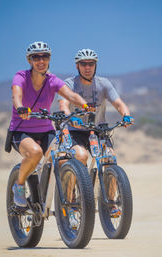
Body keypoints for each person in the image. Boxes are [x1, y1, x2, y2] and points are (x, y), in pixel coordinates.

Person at [10, 42, 89, 208]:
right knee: (35, 152)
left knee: (63, 157)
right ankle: (19, 185)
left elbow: (71, 95)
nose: (41, 60)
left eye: (44, 56)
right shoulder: (21, 76)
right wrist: (21, 108)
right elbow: (17, 95)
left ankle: (68, 198)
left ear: (49, 59)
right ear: (29, 60)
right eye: (36, 57)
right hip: (21, 131)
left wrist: (85, 105)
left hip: (46, 131)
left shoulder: (52, 80)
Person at [58, 48, 134, 217]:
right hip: (75, 131)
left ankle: (112, 202)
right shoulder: (70, 84)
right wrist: (70, 117)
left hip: (98, 130)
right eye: (84, 64)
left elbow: (119, 103)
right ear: (77, 66)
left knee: (109, 158)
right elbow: (63, 105)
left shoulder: (103, 84)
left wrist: (126, 116)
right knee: (80, 156)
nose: (87, 67)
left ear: (95, 65)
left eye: (91, 64)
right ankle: (71, 201)